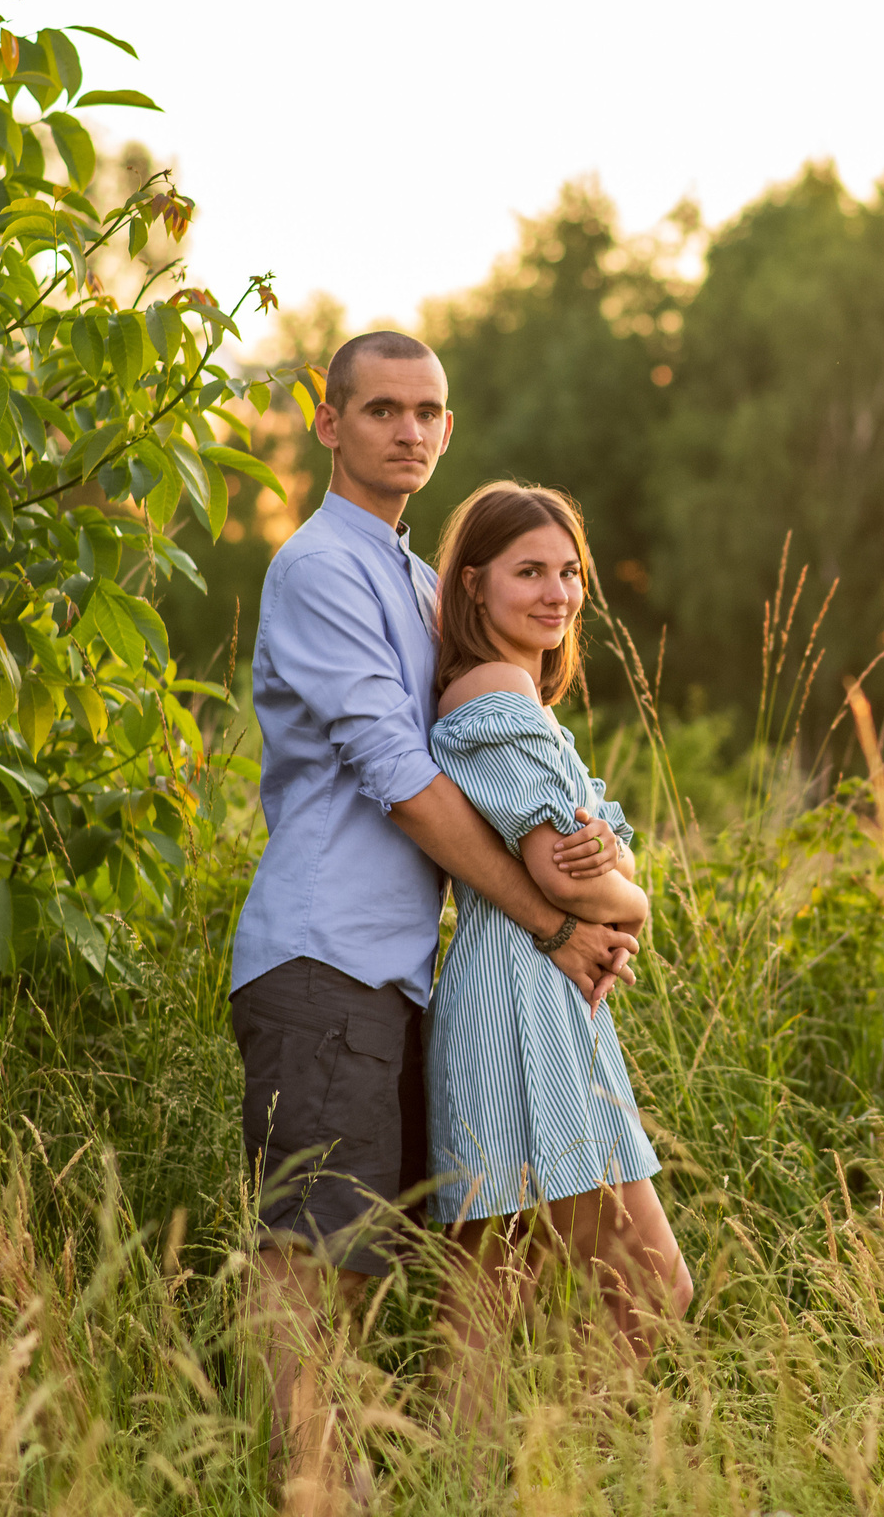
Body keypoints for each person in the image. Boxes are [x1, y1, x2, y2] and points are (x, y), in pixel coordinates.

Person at [225, 331, 633, 1513]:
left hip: (399, 974)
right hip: (323, 955)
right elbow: (398, 776)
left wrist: (587, 868)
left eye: (428, 413)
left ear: (448, 432)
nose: (408, 430)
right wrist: (549, 924)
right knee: (312, 1252)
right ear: (330, 423)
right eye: (382, 409)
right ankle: (311, 1488)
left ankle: (375, 1479)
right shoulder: (319, 567)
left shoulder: (409, 577)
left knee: (366, 1255)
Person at [423, 482, 692, 1426]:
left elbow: (569, 869)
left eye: (570, 572)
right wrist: (639, 895)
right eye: (529, 571)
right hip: (520, 1003)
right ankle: (557, 1469)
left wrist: (609, 871)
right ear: (471, 586)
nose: (558, 593)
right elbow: (572, 881)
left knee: (489, 1303)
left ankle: (477, 1481)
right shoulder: (499, 696)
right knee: (653, 1291)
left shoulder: (510, 698)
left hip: (523, 995)